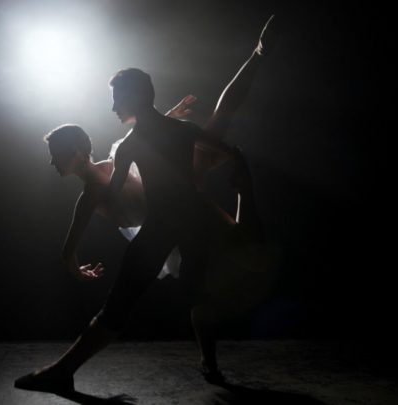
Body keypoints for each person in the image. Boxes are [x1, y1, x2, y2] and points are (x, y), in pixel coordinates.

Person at [15, 17, 279, 392]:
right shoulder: (134, 147)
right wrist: (236, 166)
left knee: (221, 269)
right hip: (174, 215)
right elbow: (153, 137)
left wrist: (239, 176)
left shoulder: (130, 148)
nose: (111, 108)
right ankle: (203, 360)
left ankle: (257, 53)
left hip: (176, 214)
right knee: (194, 289)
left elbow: (150, 143)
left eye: (116, 101)